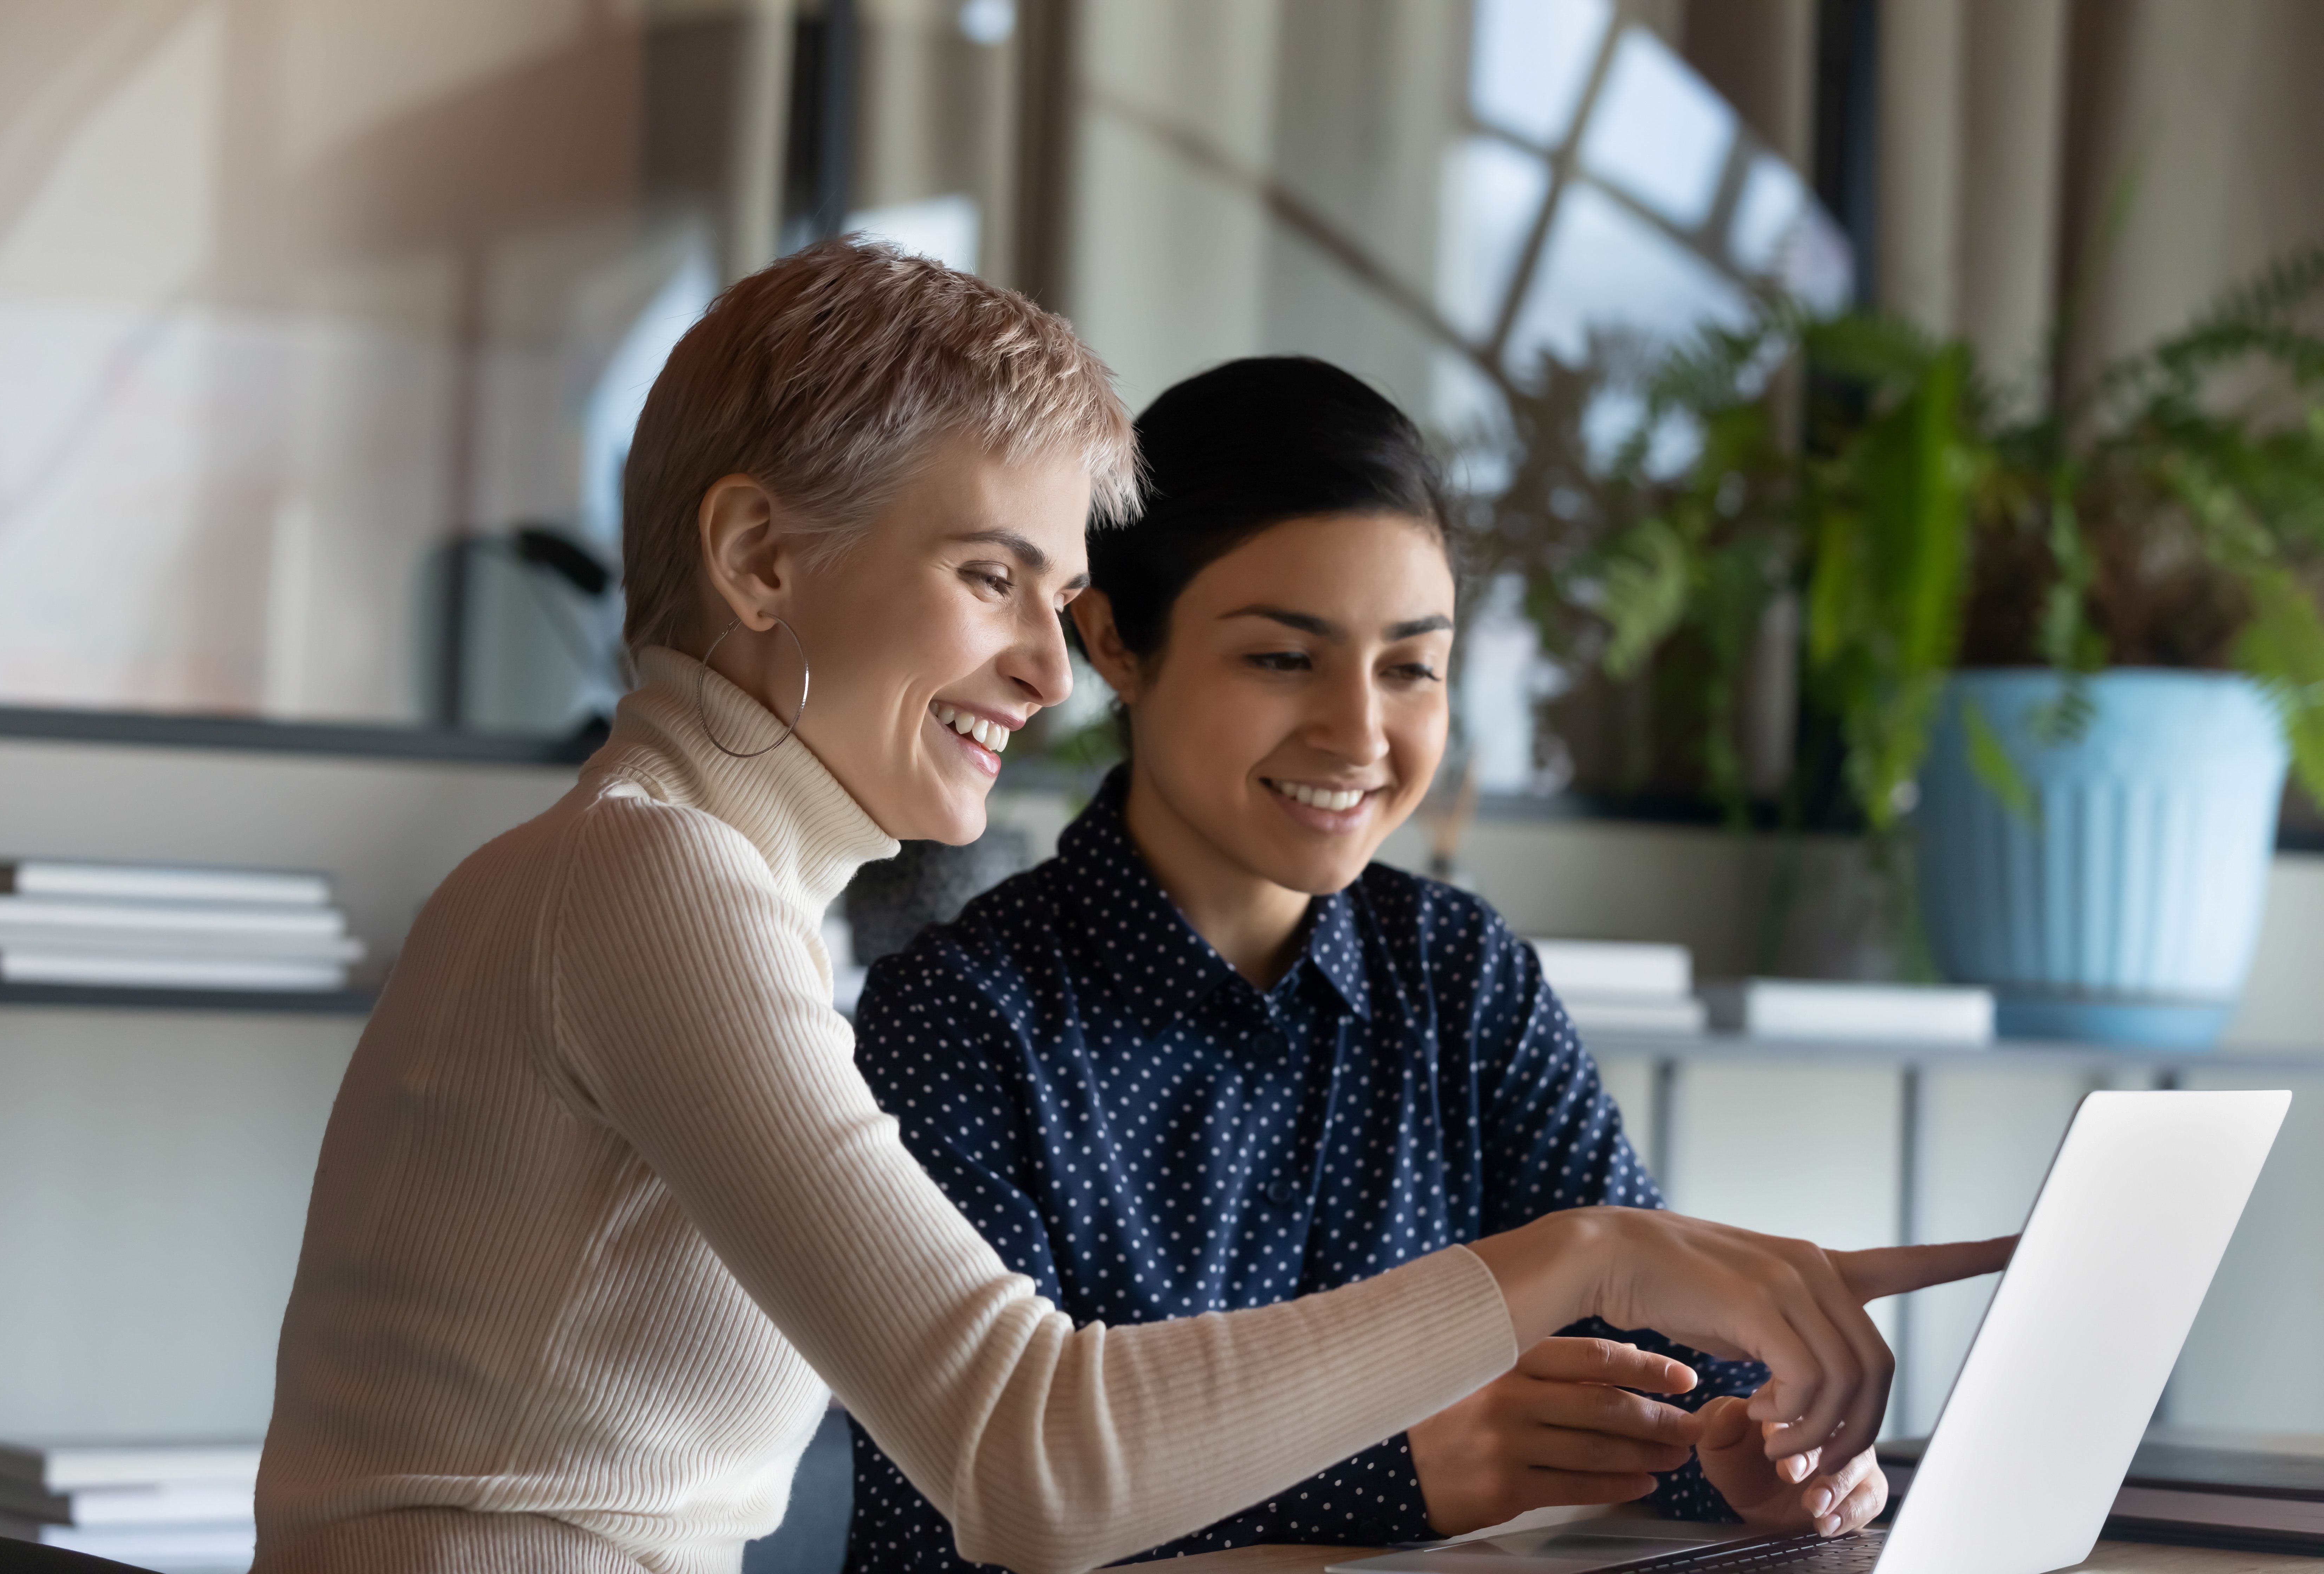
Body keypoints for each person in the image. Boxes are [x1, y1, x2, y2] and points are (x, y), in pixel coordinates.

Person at [254, 245, 2007, 1574]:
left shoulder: (704, 886)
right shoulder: (652, 886)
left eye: (1062, 590)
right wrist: (1583, 1259)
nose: (1043, 660)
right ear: (763, 561)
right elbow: (1028, 1461)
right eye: (989, 577)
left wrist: (1717, 1412)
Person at [843, 357, 1948, 1570]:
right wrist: (1398, 1474)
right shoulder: (959, 1022)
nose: (1361, 734)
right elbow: (943, 1529)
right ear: (1114, 638)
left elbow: (1652, 1315)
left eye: (1412, 666)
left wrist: (1745, 1451)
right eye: (1282, 659)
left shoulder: (1455, 975)